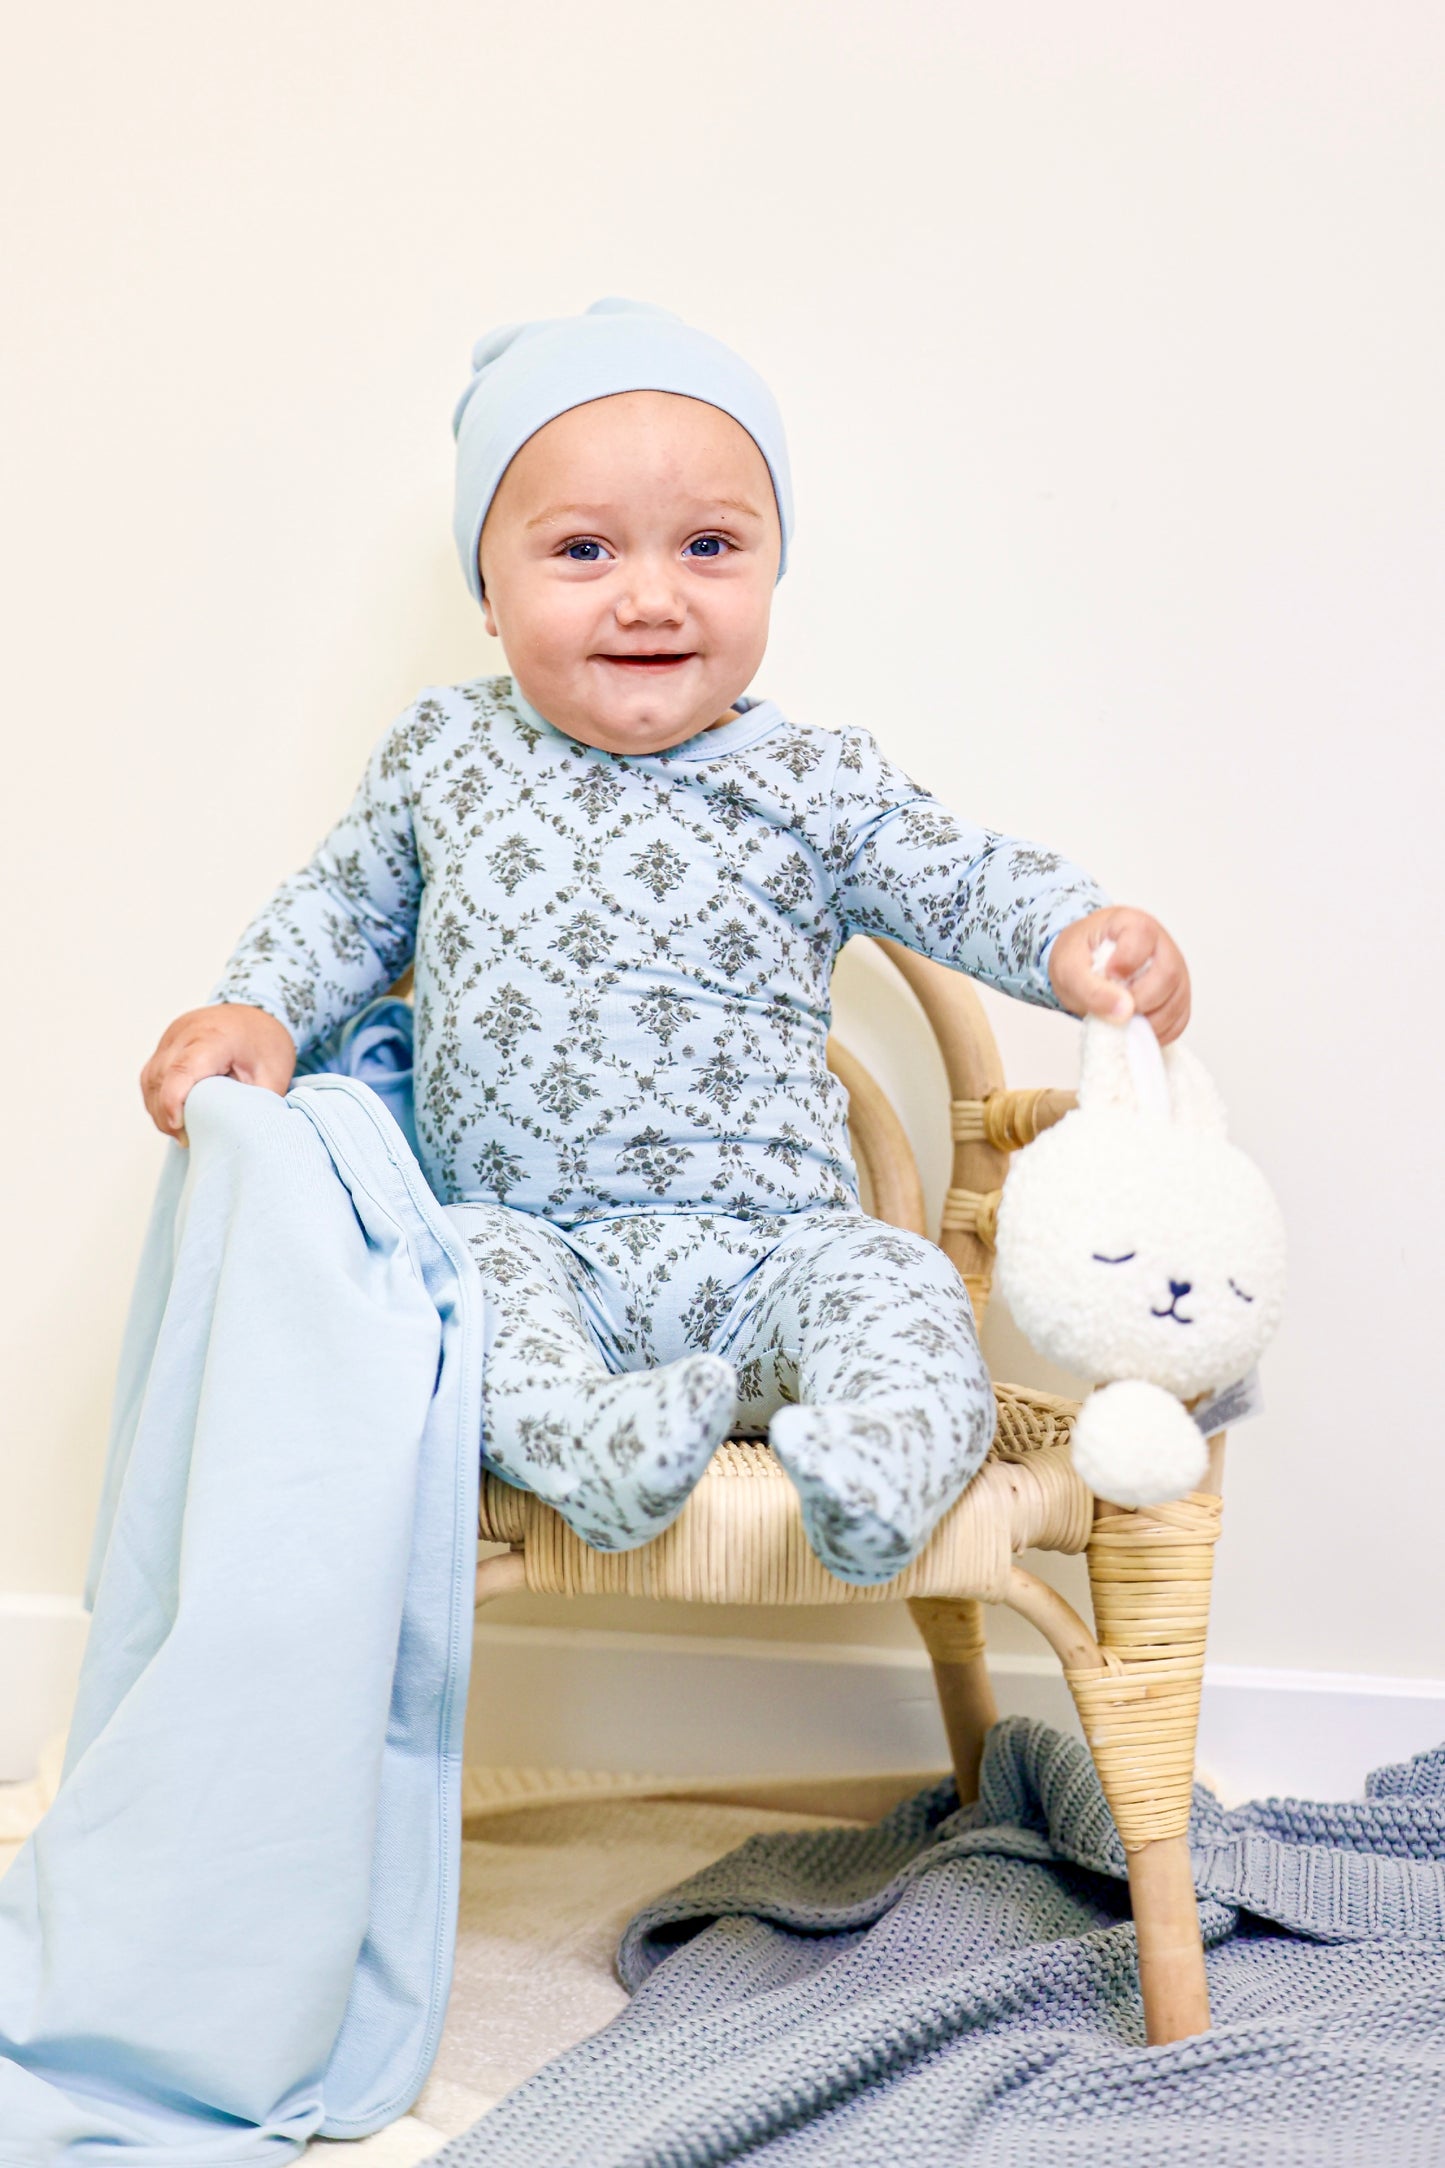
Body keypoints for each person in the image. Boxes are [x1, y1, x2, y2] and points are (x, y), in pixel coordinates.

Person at [139, 298, 1190, 1585]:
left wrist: (1075, 934)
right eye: (582, 551)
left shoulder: (812, 778)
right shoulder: (447, 757)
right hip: (529, 1241)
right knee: (449, 1303)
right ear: (487, 589)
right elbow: (340, 911)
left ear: (769, 567)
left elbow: (956, 873)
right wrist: (258, 1010)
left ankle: (874, 1459)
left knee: (901, 1291)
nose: (649, 596)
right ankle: (589, 1442)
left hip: (775, 1250)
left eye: (706, 544)